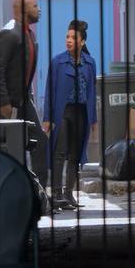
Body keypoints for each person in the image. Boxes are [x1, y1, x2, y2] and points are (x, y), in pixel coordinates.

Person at [0, 0, 48, 191]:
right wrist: (4, 103)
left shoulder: (28, 34)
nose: (38, 9)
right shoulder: (9, 33)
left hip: (24, 100)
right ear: (23, 10)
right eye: (35, 6)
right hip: (8, 104)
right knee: (9, 148)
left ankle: (40, 193)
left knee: (39, 142)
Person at [42, 20, 98, 210]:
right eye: (67, 37)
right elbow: (50, 90)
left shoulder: (90, 63)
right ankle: (56, 193)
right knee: (60, 153)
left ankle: (69, 194)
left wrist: (93, 119)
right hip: (62, 112)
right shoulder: (57, 62)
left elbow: (92, 92)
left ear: (82, 42)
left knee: (75, 154)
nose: (69, 40)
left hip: (81, 112)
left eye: (73, 37)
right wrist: (47, 118)